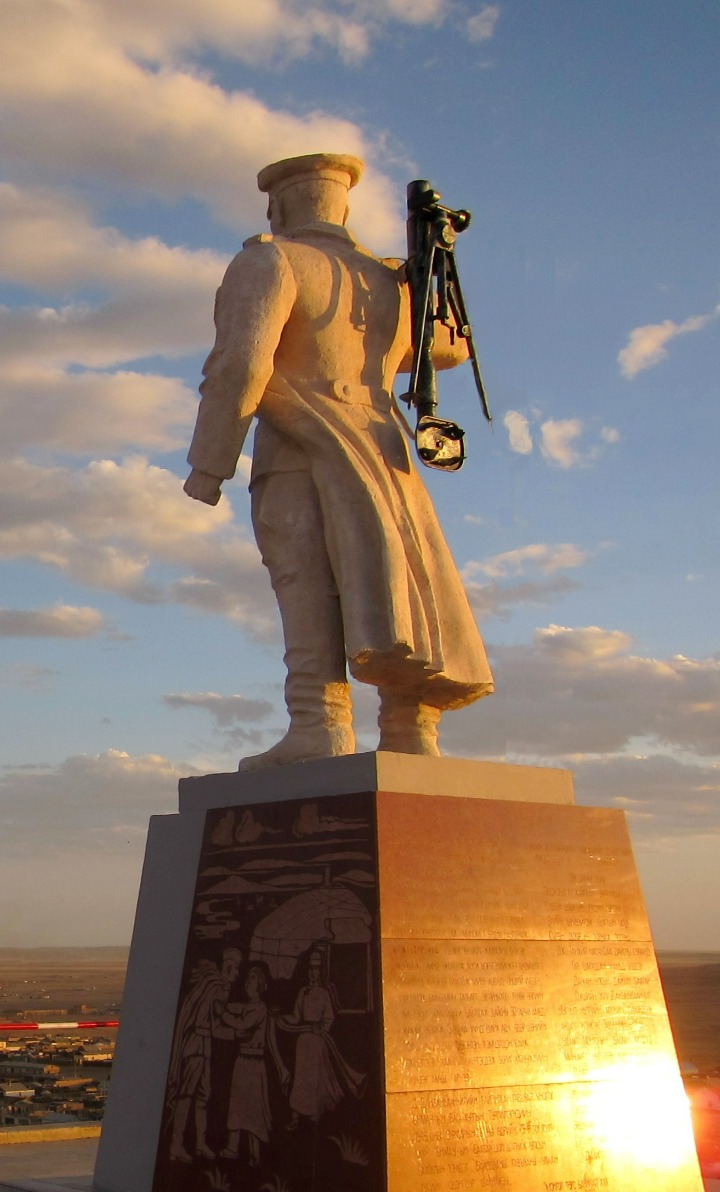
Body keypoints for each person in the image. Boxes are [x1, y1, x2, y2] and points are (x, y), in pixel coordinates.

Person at [181, 153, 492, 768]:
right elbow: (448, 347)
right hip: (384, 449)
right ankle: (410, 729)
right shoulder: (388, 279)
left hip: (301, 444)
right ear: (342, 208)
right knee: (396, 582)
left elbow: (242, 363)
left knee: (308, 581)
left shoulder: (272, 261)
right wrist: (428, 277)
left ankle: (319, 724)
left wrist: (210, 462)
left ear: (281, 205)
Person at [167, 946, 240, 1161]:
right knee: (186, 1095)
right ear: (228, 967)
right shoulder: (219, 988)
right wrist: (236, 1032)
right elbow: (214, 1022)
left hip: (204, 1046)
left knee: (202, 1096)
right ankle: (176, 1145)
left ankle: (200, 1144)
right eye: (235, 969)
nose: (237, 974)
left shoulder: (215, 985)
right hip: (196, 1047)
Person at [282, 944, 364, 1123]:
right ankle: (296, 1113)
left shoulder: (324, 993)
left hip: (317, 1040)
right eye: (311, 969)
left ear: (321, 971)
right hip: (303, 1040)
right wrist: (280, 1017)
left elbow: (329, 1017)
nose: (313, 973)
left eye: (316, 969)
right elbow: (295, 1018)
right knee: (301, 1078)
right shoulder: (303, 992)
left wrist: (321, 1028)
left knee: (314, 1079)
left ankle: (314, 1112)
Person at [219, 963, 274, 1165]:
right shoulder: (248, 1006)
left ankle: (254, 1154)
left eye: (252, 979)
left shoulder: (260, 1009)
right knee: (236, 1105)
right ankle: (233, 1148)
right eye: (248, 979)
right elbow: (234, 1008)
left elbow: (242, 1024)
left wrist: (222, 1014)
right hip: (242, 1061)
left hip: (254, 1064)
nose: (247, 982)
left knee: (253, 1110)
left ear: (260, 985)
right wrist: (222, 1004)